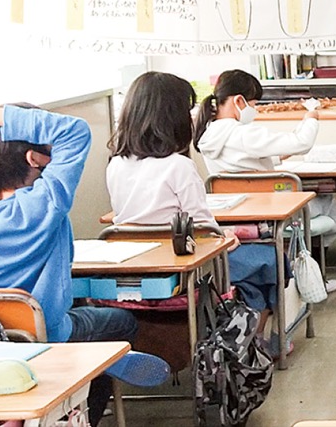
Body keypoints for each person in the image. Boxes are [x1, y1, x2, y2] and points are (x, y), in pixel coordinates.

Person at [105, 72, 285, 356]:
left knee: (256, 267)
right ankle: (253, 344)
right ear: (173, 117)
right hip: (187, 268)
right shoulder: (178, 166)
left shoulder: (116, 164)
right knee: (271, 260)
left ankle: (252, 340)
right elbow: (204, 230)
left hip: (136, 268)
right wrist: (227, 236)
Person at [0, 104, 137, 426]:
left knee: (85, 311)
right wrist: (0, 116)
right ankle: (82, 406)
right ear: (35, 159)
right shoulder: (43, 203)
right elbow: (75, 131)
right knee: (121, 322)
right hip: (49, 331)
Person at [194, 69, 336, 285]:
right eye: (253, 104)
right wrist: (311, 118)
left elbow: (249, 159)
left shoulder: (209, 135)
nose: (254, 110)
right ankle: (311, 277)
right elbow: (302, 143)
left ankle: (303, 272)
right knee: (329, 203)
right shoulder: (243, 133)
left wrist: (282, 152)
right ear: (239, 101)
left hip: (234, 214)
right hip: (268, 211)